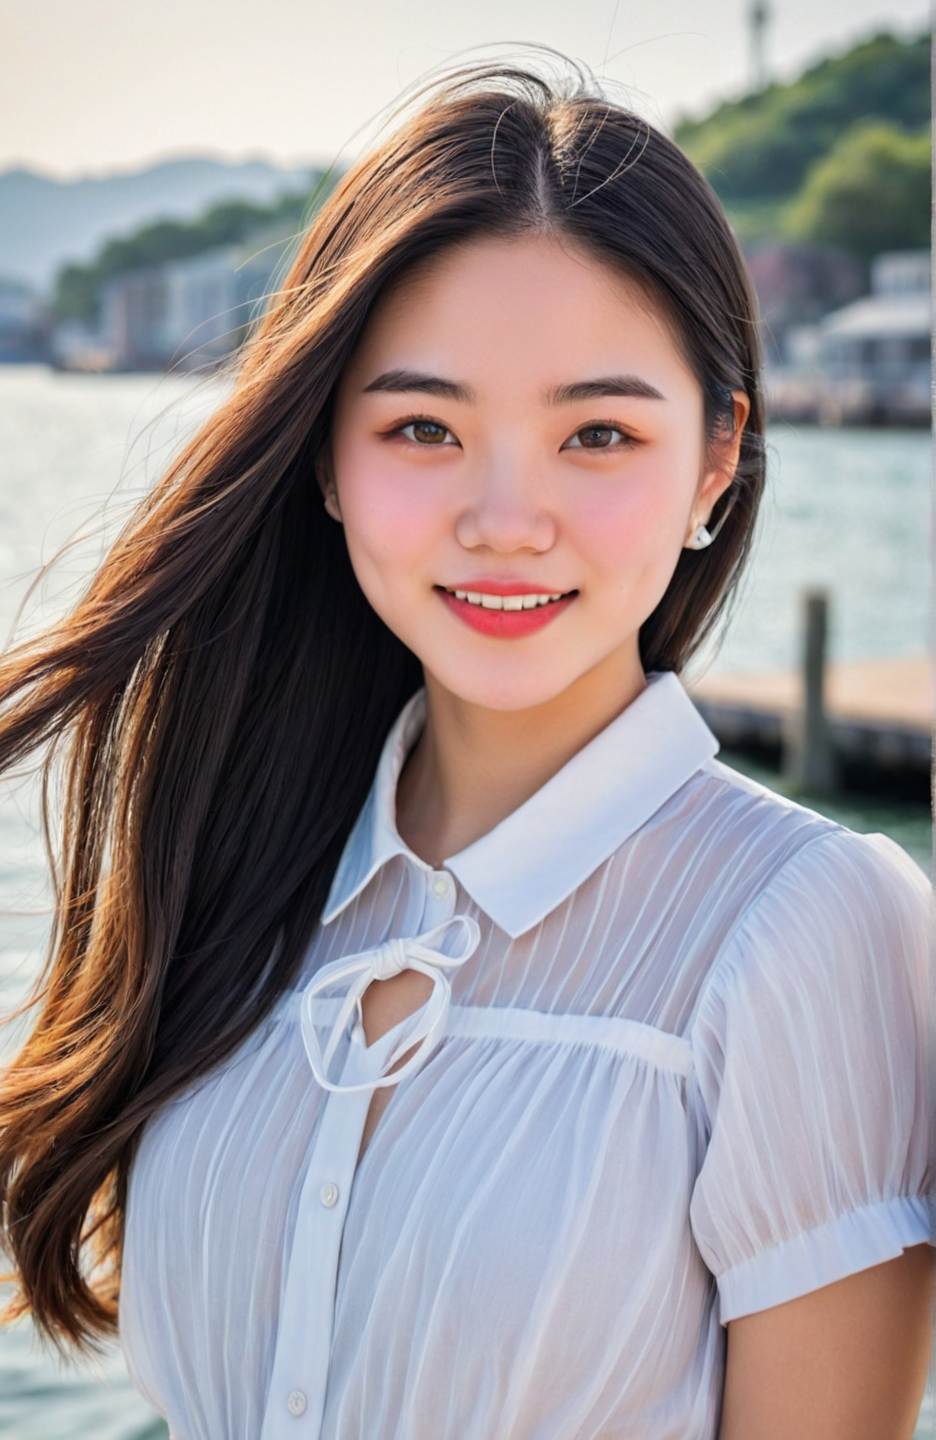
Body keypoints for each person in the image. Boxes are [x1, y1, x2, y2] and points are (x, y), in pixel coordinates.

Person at [0, 51, 932, 1440]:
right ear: (325, 456)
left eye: (599, 433)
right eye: (424, 427)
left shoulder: (806, 930)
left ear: (717, 462)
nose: (506, 517)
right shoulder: (241, 866)